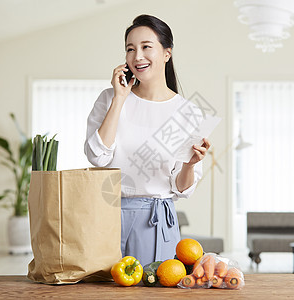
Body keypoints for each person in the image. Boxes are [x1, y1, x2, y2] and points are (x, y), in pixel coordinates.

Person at [84, 14, 210, 266]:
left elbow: (182, 188)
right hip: (106, 215)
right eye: (130, 49)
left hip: (154, 222)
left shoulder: (187, 112)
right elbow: (98, 157)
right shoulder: (109, 98)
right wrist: (120, 98)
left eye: (146, 47)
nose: (137, 56)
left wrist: (190, 165)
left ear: (167, 53)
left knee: (152, 289)